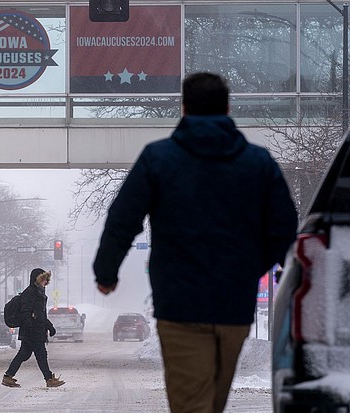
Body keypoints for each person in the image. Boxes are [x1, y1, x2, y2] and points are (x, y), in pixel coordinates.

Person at [93, 72, 298, 413]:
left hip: (180, 305)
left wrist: (106, 273)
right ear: (228, 107)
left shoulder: (158, 159)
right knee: (208, 404)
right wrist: (254, 269)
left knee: (193, 405)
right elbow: (283, 227)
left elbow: (123, 219)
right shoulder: (258, 163)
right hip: (234, 307)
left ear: (184, 108)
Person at [2, 268, 65, 388]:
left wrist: (49, 326)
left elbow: (40, 314)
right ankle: (49, 378)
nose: (45, 282)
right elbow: (25, 311)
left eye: (46, 280)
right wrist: (29, 326)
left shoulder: (39, 293)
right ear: (37, 280)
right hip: (32, 331)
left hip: (36, 330)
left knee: (24, 354)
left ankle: (8, 376)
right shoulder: (30, 292)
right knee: (41, 355)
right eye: (43, 279)